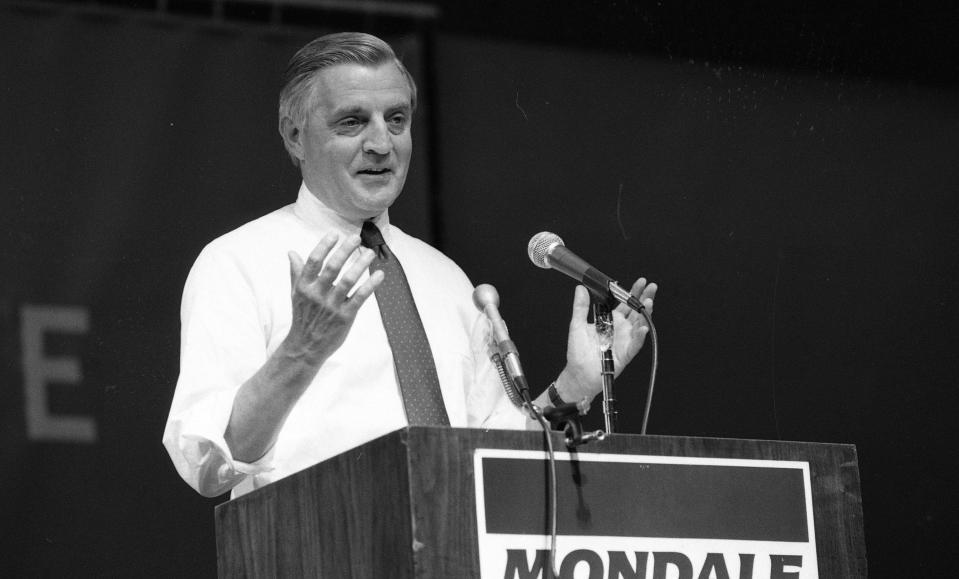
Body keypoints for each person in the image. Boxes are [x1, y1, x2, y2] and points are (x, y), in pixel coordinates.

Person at [163, 32, 657, 498]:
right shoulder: (237, 262)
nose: (382, 144)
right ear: (294, 136)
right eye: (352, 121)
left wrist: (574, 386)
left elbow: (493, 450)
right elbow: (207, 467)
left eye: (396, 119)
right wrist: (301, 351)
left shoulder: (444, 277)